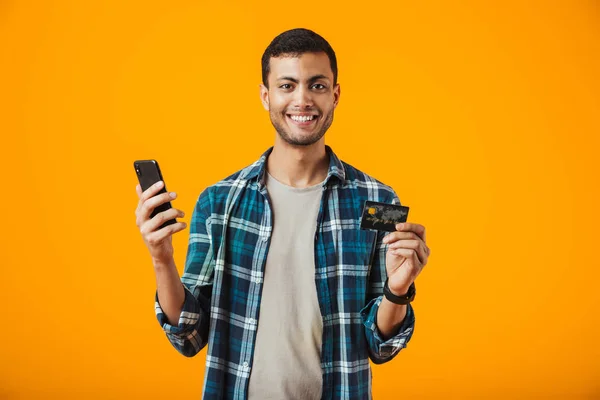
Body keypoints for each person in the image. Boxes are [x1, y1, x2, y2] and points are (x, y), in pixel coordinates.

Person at [135, 28, 431, 400]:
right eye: (287, 86)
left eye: (318, 86)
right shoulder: (219, 202)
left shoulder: (376, 200)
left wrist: (398, 290)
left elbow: (380, 346)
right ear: (266, 95)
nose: (303, 99)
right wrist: (161, 258)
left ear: (336, 95)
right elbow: (189, 336)